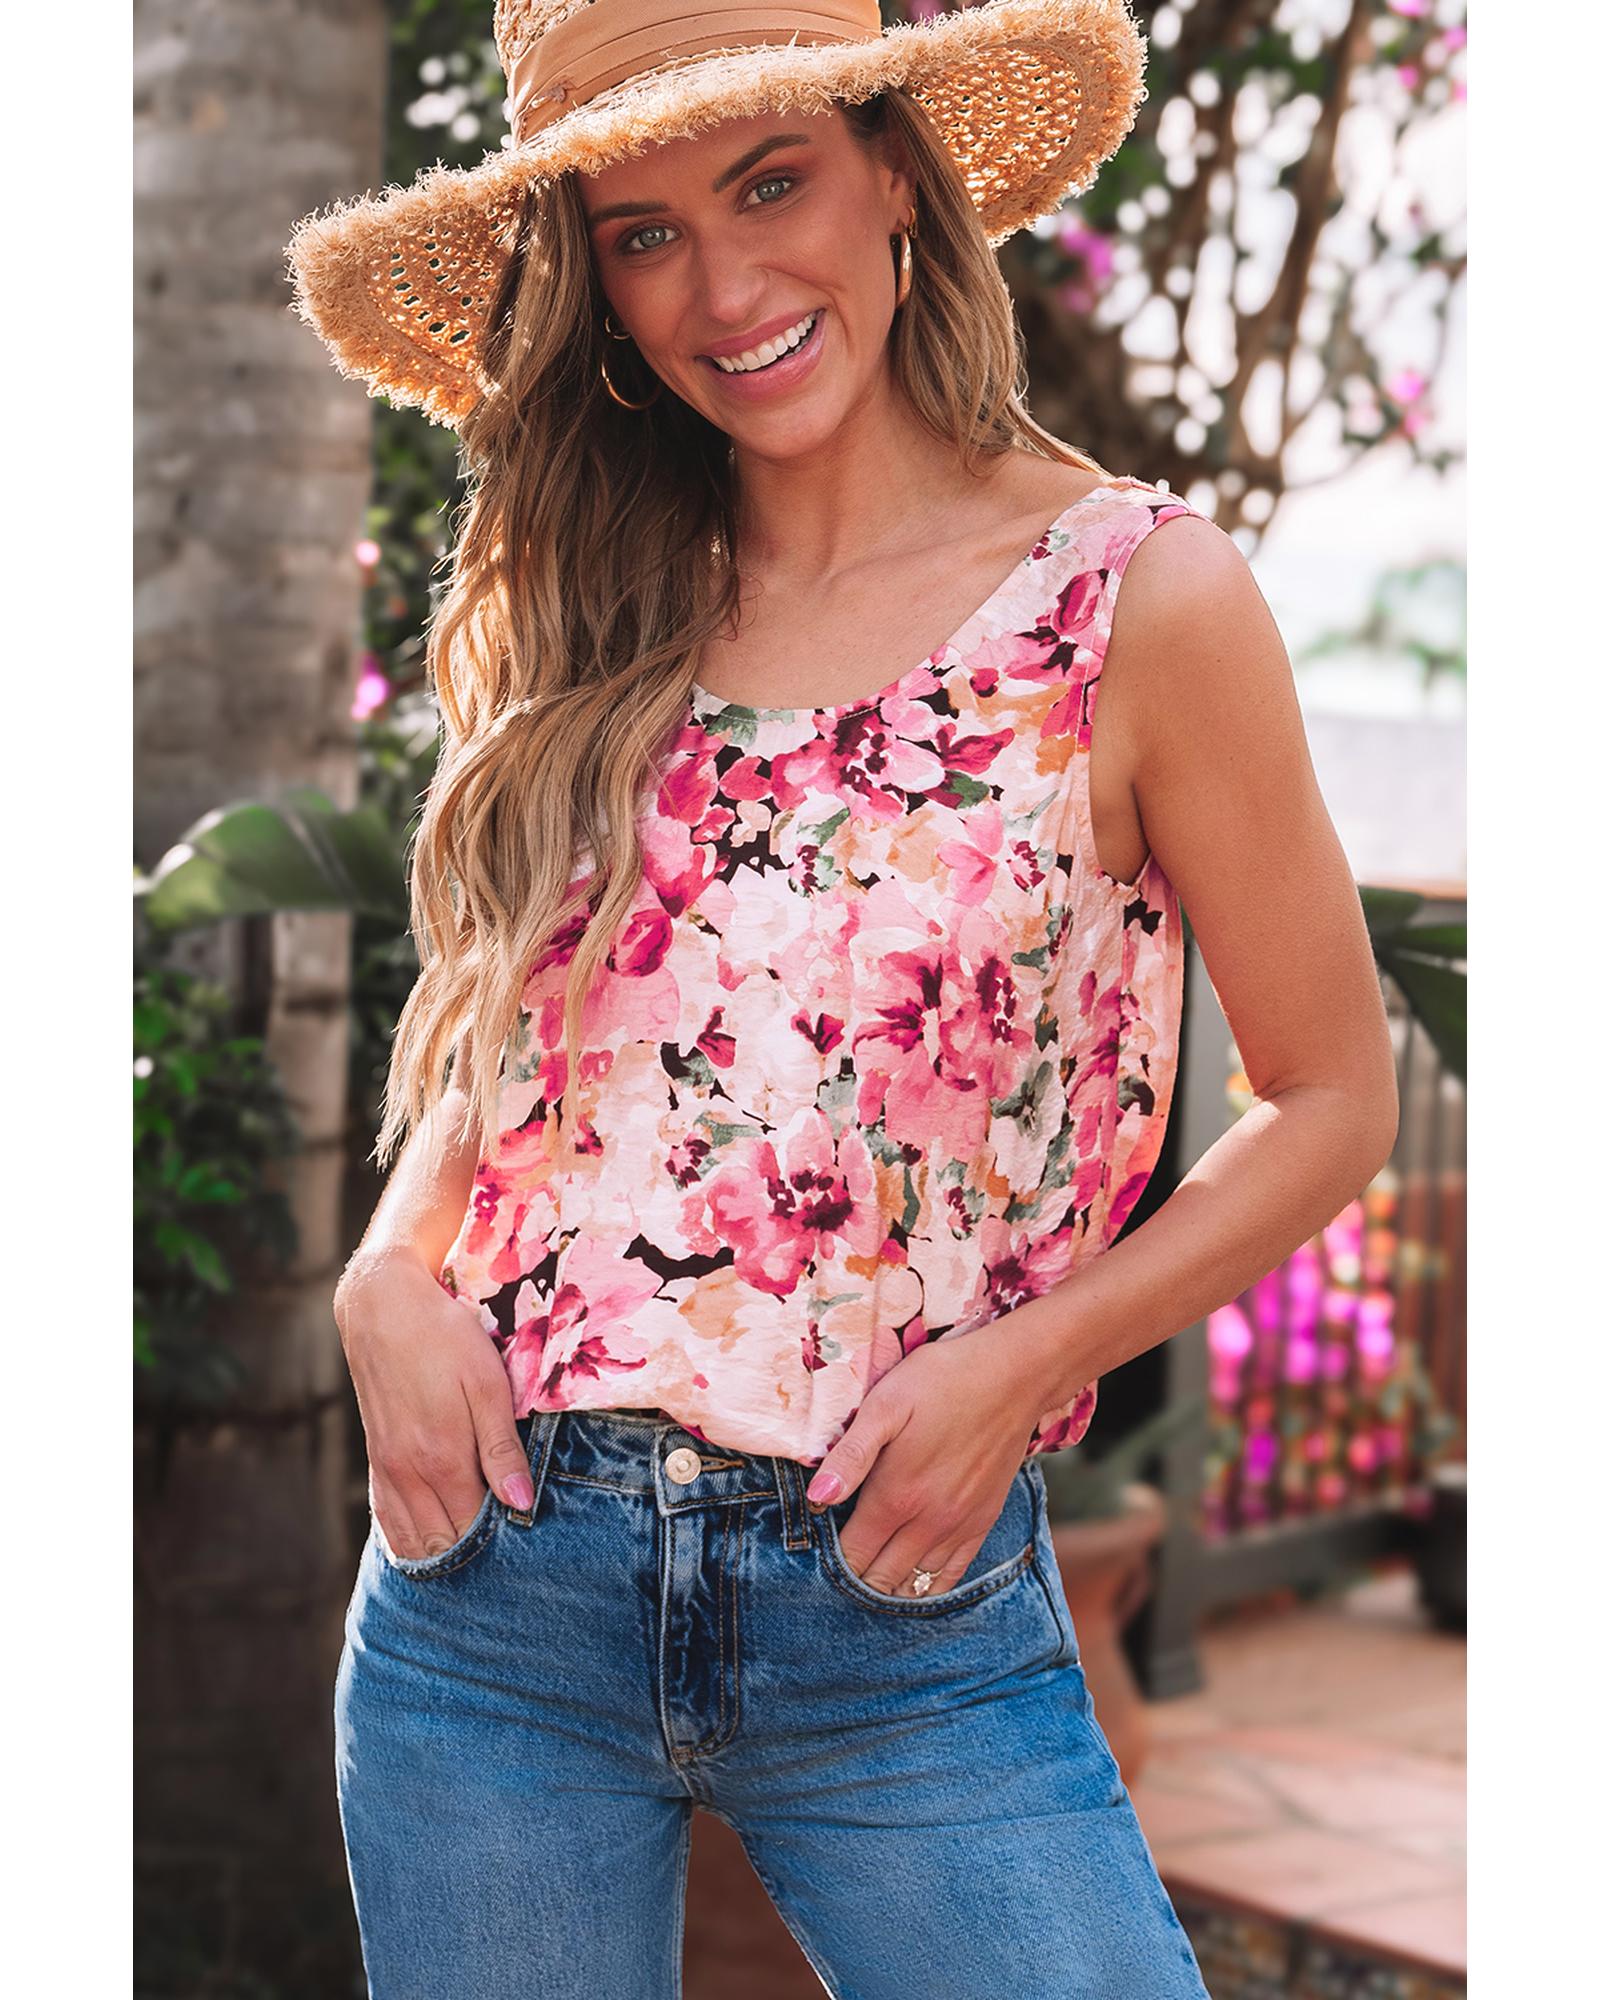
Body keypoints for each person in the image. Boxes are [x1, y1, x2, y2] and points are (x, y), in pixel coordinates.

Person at [286, 3, 1398, 1994]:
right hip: (494, 1600)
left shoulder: (1132, 601)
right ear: (596, 288)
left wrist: (1017, 1370)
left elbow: (1329, 1097)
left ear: (896, 174)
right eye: (642, 235)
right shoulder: (605, 593)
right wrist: (386, 1268)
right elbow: (527, 1033)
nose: (724, 290)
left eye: (770, 182)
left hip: (900, 1604)